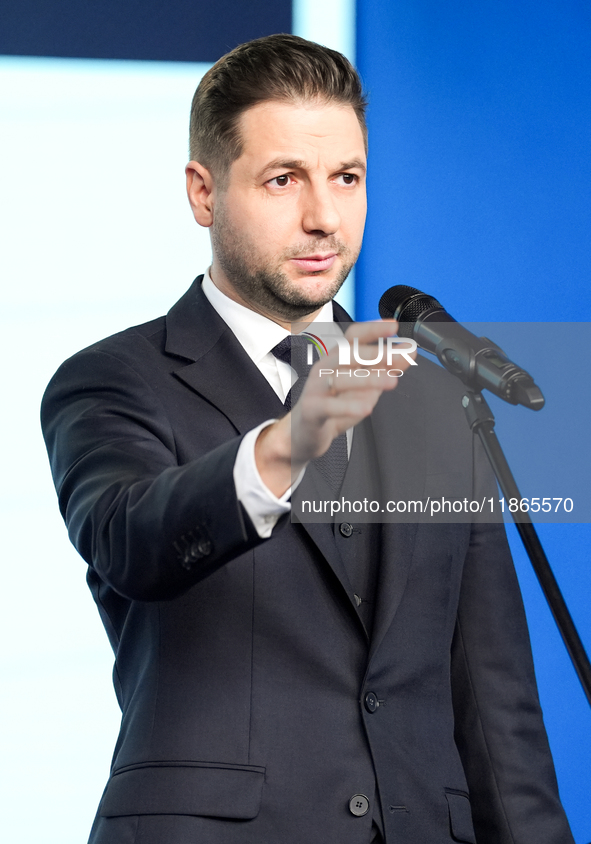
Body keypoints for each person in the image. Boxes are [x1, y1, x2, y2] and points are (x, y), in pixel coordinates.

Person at [41, 34, 574, 844]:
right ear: (203, 191)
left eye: (347, 179)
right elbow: (130, 540)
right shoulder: (113, 378)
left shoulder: (436, 405)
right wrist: (289, 442)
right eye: (283, 179)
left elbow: (496, 705)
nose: (324, 217)